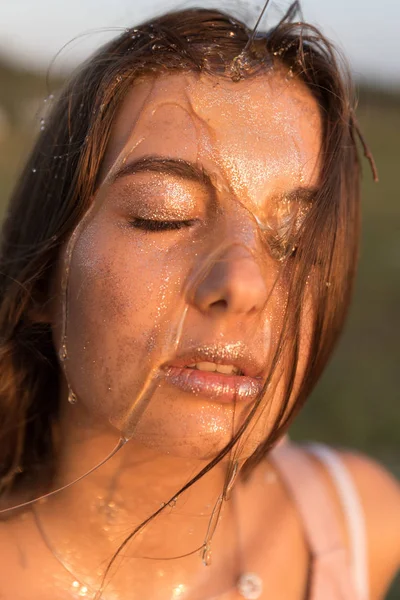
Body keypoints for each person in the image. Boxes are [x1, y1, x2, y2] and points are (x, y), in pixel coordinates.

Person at [0, 4, 398, 599]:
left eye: (294, 242)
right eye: (165, 215)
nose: (244, 283)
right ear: (42, 280)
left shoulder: (360, 521)